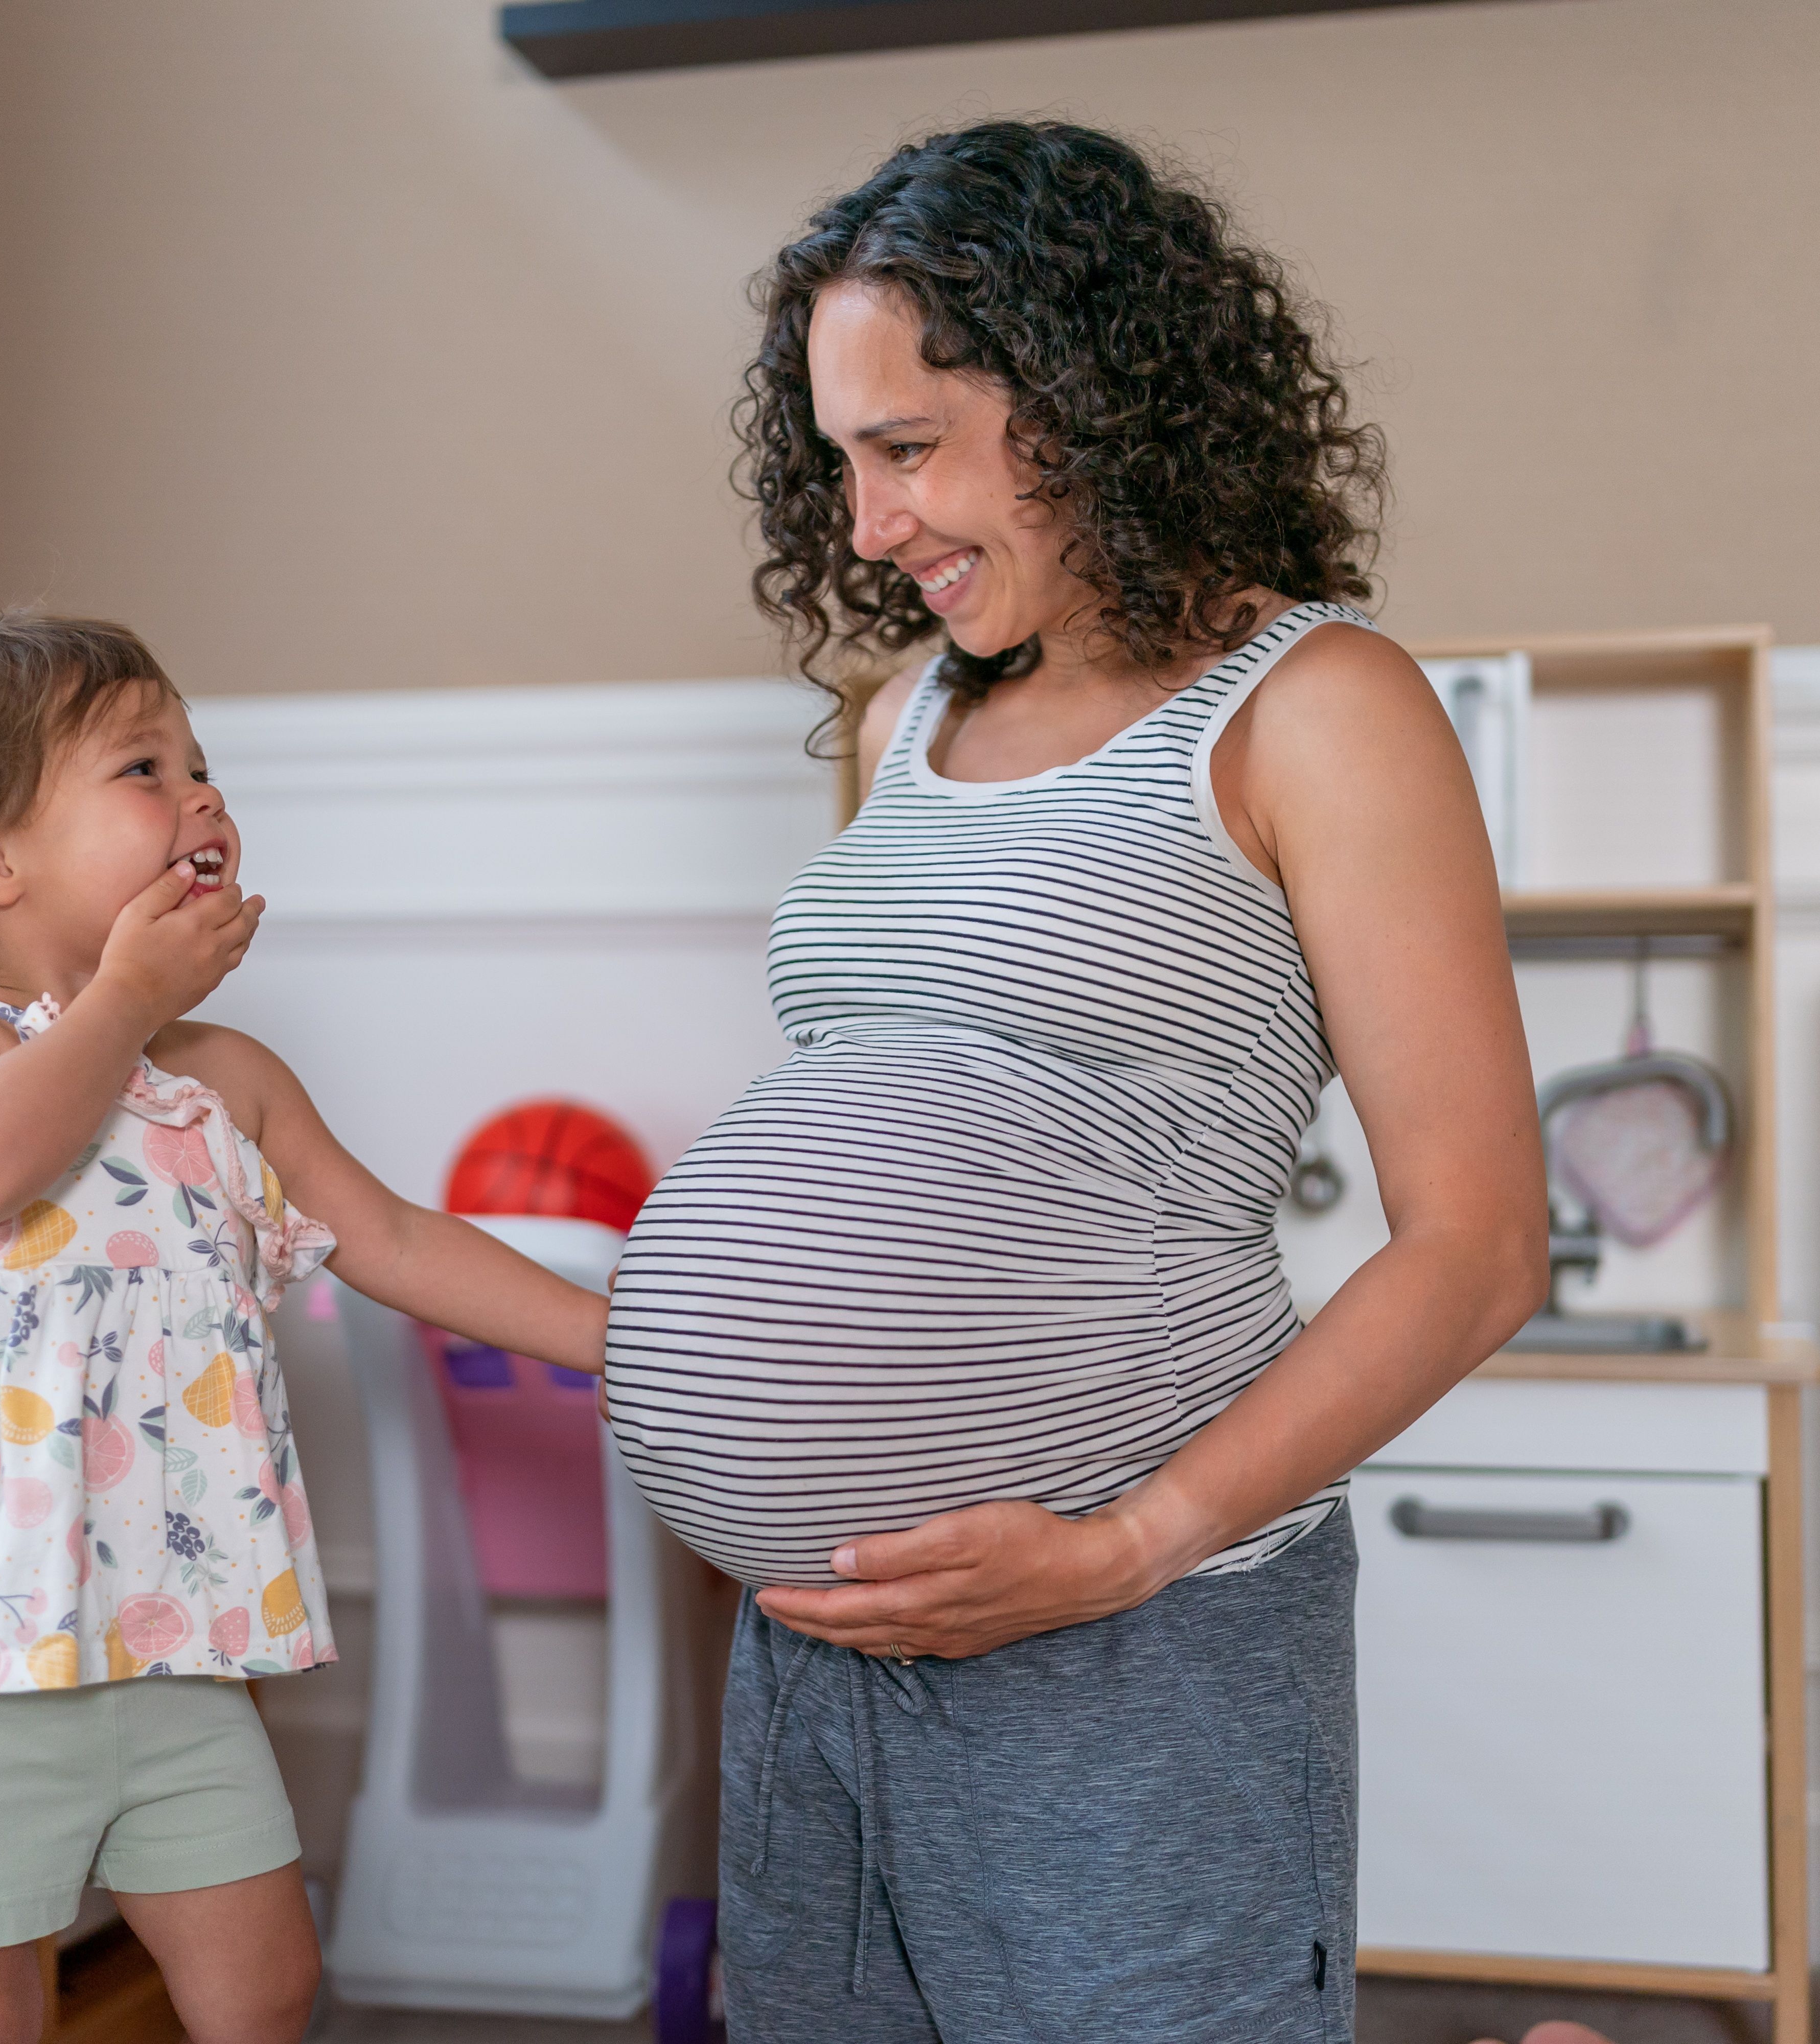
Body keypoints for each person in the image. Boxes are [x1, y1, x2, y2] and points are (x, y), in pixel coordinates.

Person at [602, 122, 1547, 2039]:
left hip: (1145, 1623)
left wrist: (1124, 1541)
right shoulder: (907, 717)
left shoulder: (1318, 709)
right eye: (837, 461)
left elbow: (1480, 1245)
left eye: (908, 446)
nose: (865, 527)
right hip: (827, 1645)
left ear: (1089, 398)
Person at [0, 603, 608, 2044]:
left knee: (267, 1982)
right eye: (143, 769)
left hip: (166, 1641)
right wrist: (126, 996)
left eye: (200, 764)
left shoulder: (227, 1081)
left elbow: (395, 1238)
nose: (201, 793)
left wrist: (626, 1333)